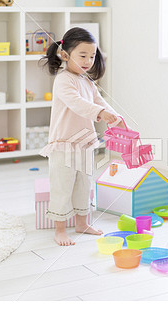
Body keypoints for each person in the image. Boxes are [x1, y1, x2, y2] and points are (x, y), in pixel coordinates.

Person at [40, 27, 124, 246]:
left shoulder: (87, 80)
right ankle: (59, 230)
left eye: (92, 56)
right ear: (65, 55)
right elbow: (78, 104)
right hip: (64, 144)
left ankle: (81, 222)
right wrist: (100, 113)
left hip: (85, 144)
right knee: (62, 187)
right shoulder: (63, 80)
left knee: (83, 186)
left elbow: (98, 100)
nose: (88, 61)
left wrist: (113, 115)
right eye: (83, 55)